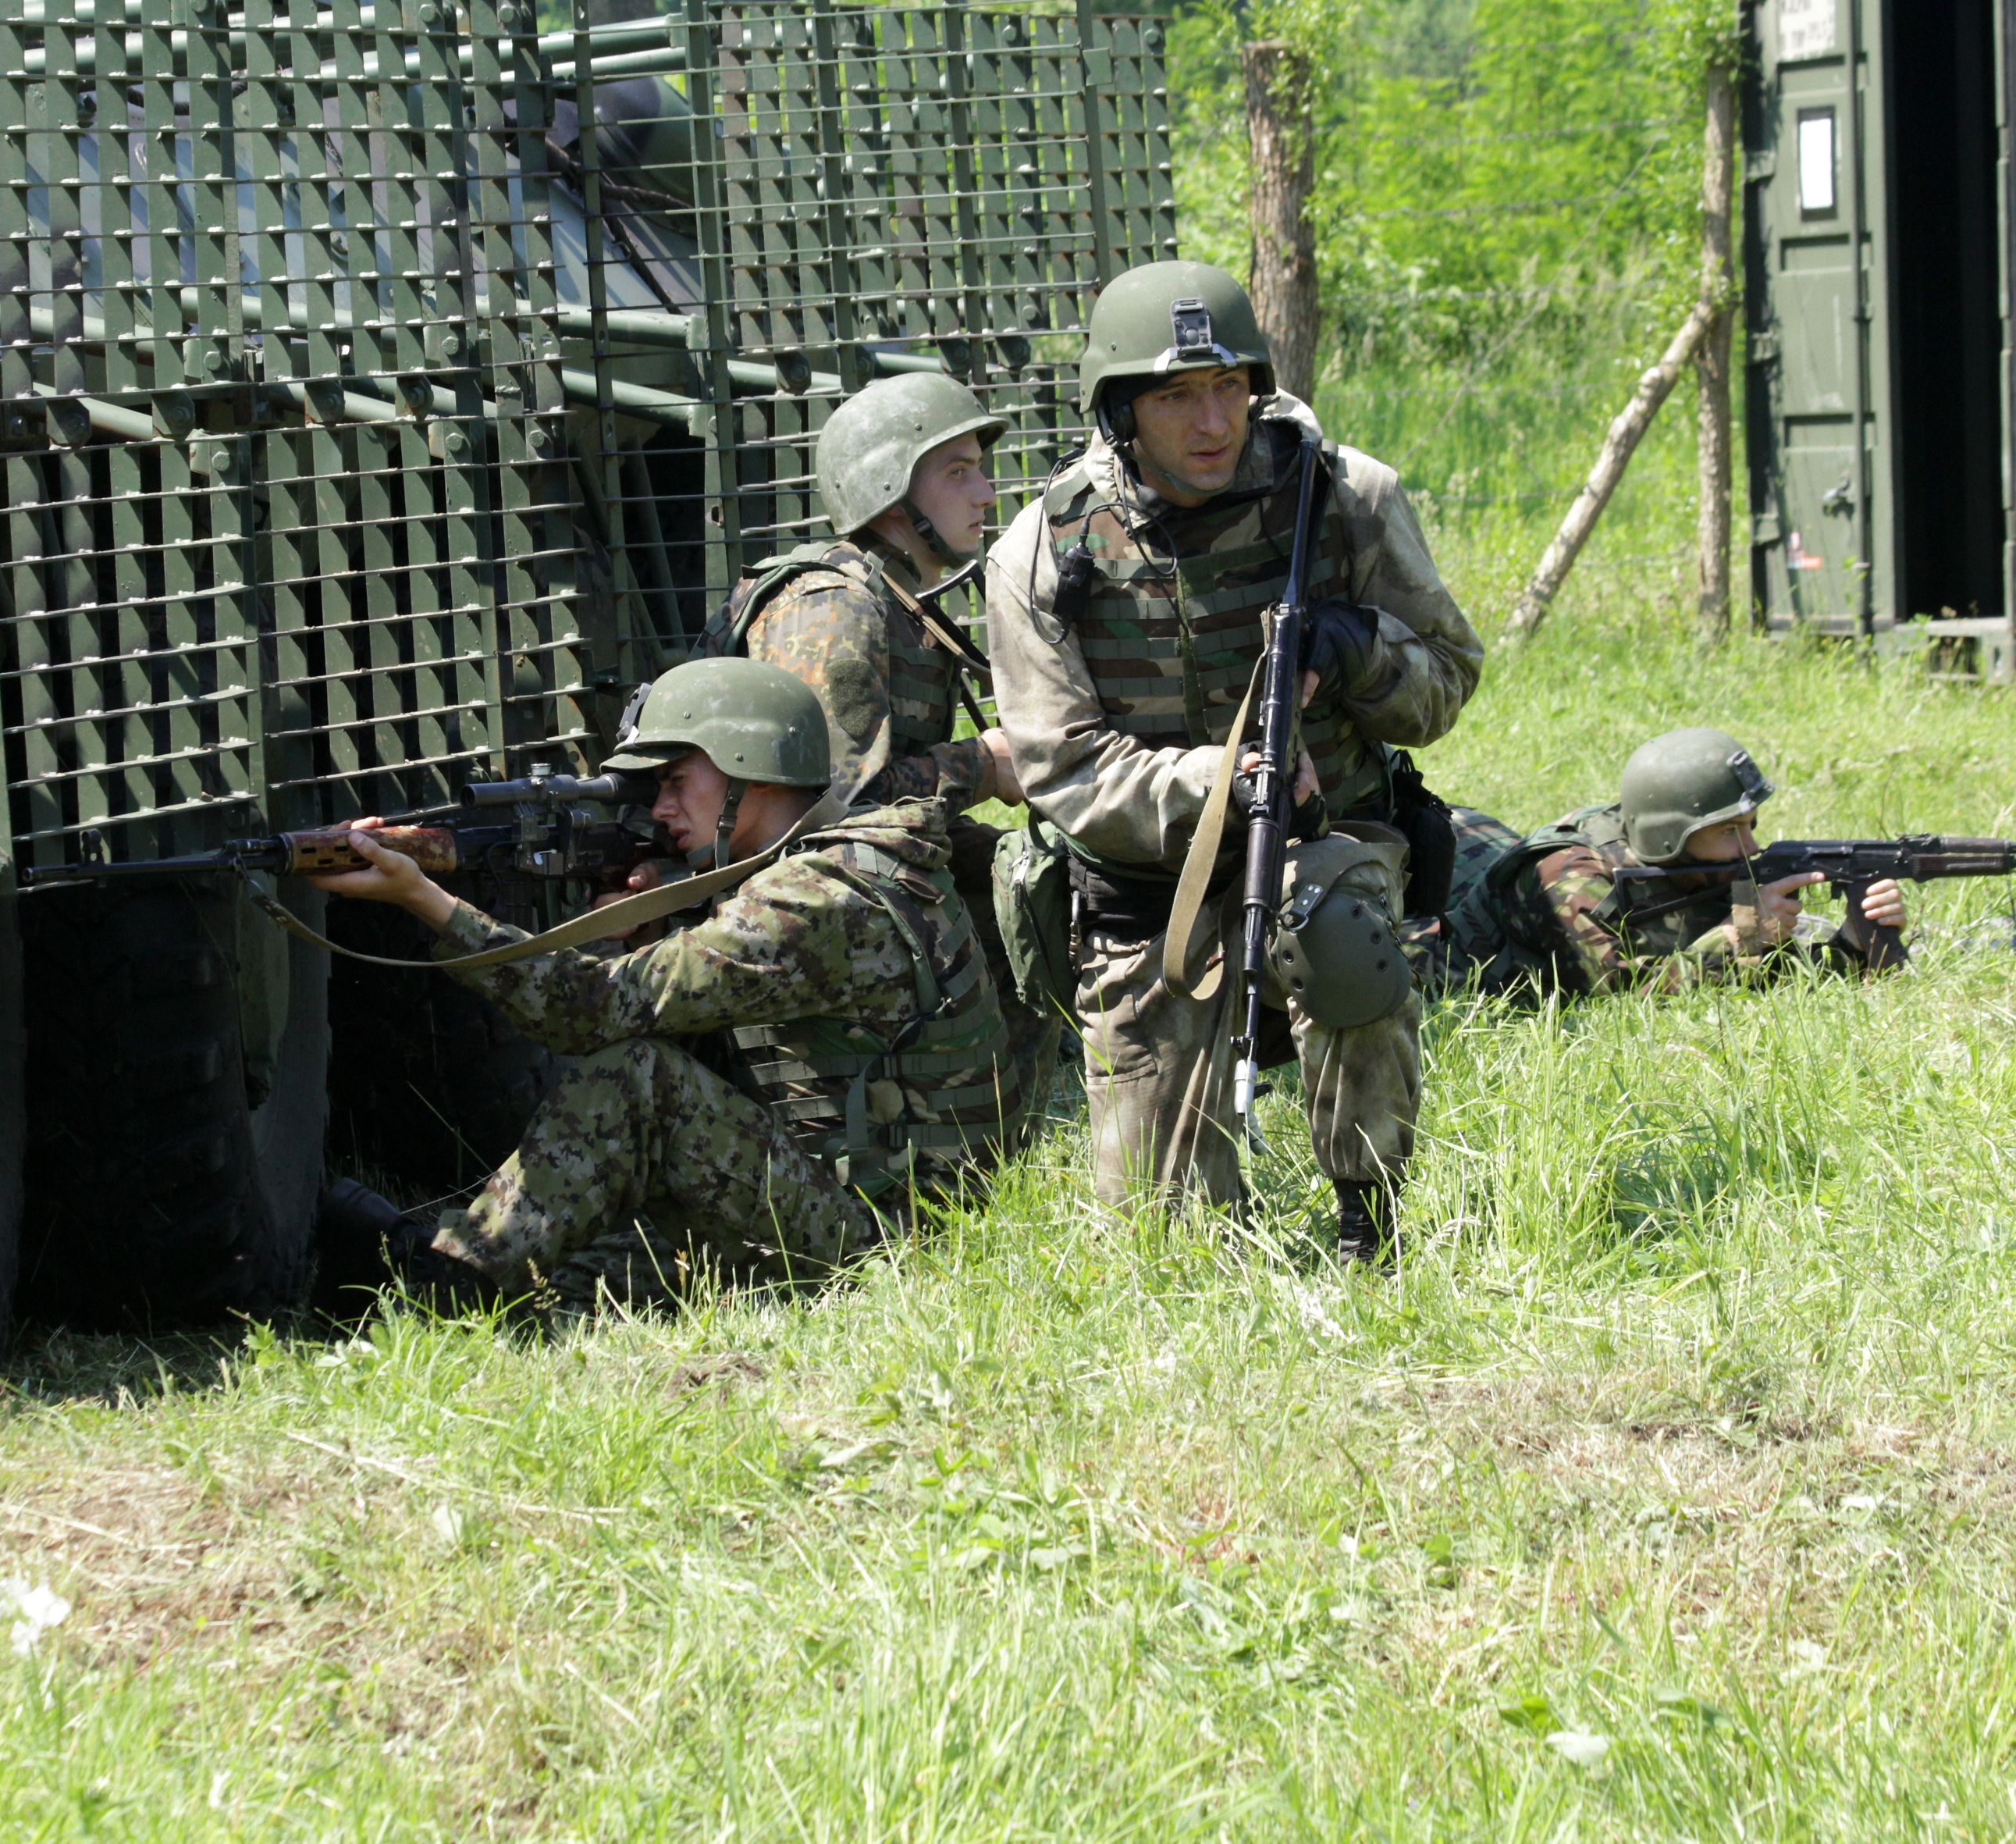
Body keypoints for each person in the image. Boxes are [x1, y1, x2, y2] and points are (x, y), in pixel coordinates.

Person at [983, 260, 1481, 1264]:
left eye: (1227, 389)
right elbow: (1062, 768)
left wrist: (1356, 648)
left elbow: (1450, 680)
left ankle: (1368, 1223)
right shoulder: (1041, 552)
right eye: (1176, 397)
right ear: (1122, 409)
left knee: (1337, 921)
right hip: (1147, 892)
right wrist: (1212, 782)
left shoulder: (1345, 499)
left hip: (1324, 846)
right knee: (1169, 1247)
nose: (1212, 422)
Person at [311, 657, 1044, 1322]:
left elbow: (589, 1014)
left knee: (637, 1080)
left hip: (889, 1240)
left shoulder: (811, 903)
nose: (659, 810)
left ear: (748, 769)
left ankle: (439, 1290)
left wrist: (428, 903)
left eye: (673, 782)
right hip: (904, 1210)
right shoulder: (854, 859)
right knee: (574, 1287)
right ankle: (455, 1276)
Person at [702, 372, 1059, 1090]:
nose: (986, 493)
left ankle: (1005, 1099)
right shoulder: (836, 606)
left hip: (844, 875)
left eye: (979, 470)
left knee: (1024, 881)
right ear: (888, 491)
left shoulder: (893, 593)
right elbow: (830, 814)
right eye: (958, 473)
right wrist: (980, 767)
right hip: (778, 888)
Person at [1423, 727, 1912, 998]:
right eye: (1728, 831)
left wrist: (1851, 945)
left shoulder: (1699, 866)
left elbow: (1756, 973)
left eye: (1751, 826)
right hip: (1438, 923)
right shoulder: (1570, 878)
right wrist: (1739, 935)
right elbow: (1622, 996)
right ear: (1669, 836)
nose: (1750, 848)